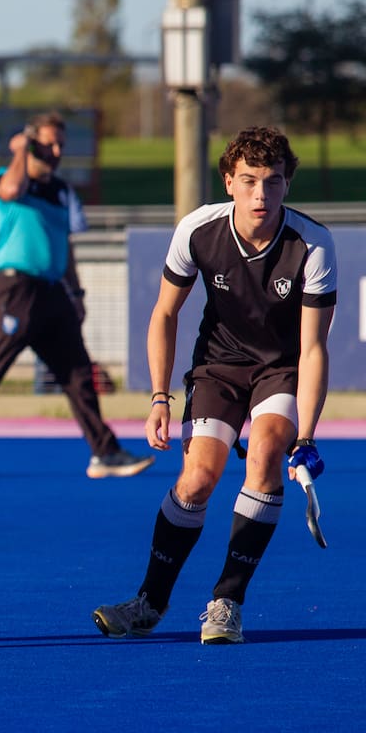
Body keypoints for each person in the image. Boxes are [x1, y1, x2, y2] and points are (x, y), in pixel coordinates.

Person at [92, 126, 337, 644]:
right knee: (199, 478)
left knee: (267, 452)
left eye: (272, 182)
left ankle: (227, 602)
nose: (260, 195)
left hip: (281, 369)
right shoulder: (197, 230)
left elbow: (313, 348)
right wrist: (160, 396)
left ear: (287, 185)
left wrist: (307, 435)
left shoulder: (313, 244)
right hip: (218, 366)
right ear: (228, 181)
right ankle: (149, 603)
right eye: (248, 181)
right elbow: (164, 313)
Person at [0, 112, 153, 480]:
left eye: (60, 144)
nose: (55, 150)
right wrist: (20, 150)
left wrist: (76, 291)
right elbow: (11, 191)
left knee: (78, 373)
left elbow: (63, 244)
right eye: (47, 143)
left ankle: (105, 452)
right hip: (18, 288)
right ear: (32, 142)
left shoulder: (61, 190)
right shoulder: (10, 179)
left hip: (53, 292)